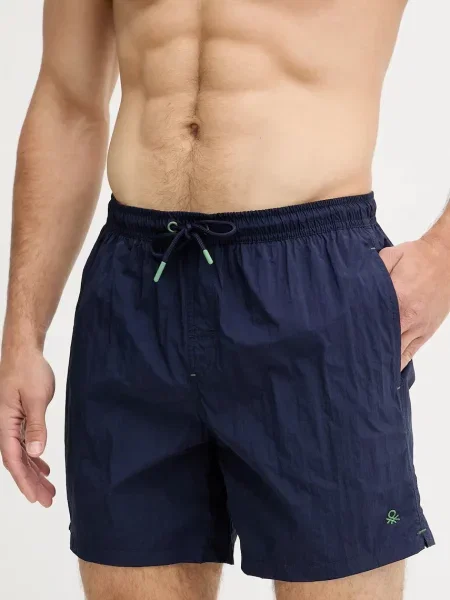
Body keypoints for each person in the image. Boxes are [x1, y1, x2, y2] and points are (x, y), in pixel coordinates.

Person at [0, 1, 448, 598]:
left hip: (312, 283)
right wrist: (23, 334)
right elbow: (68, 100)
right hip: (135, 290)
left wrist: (442, 259)